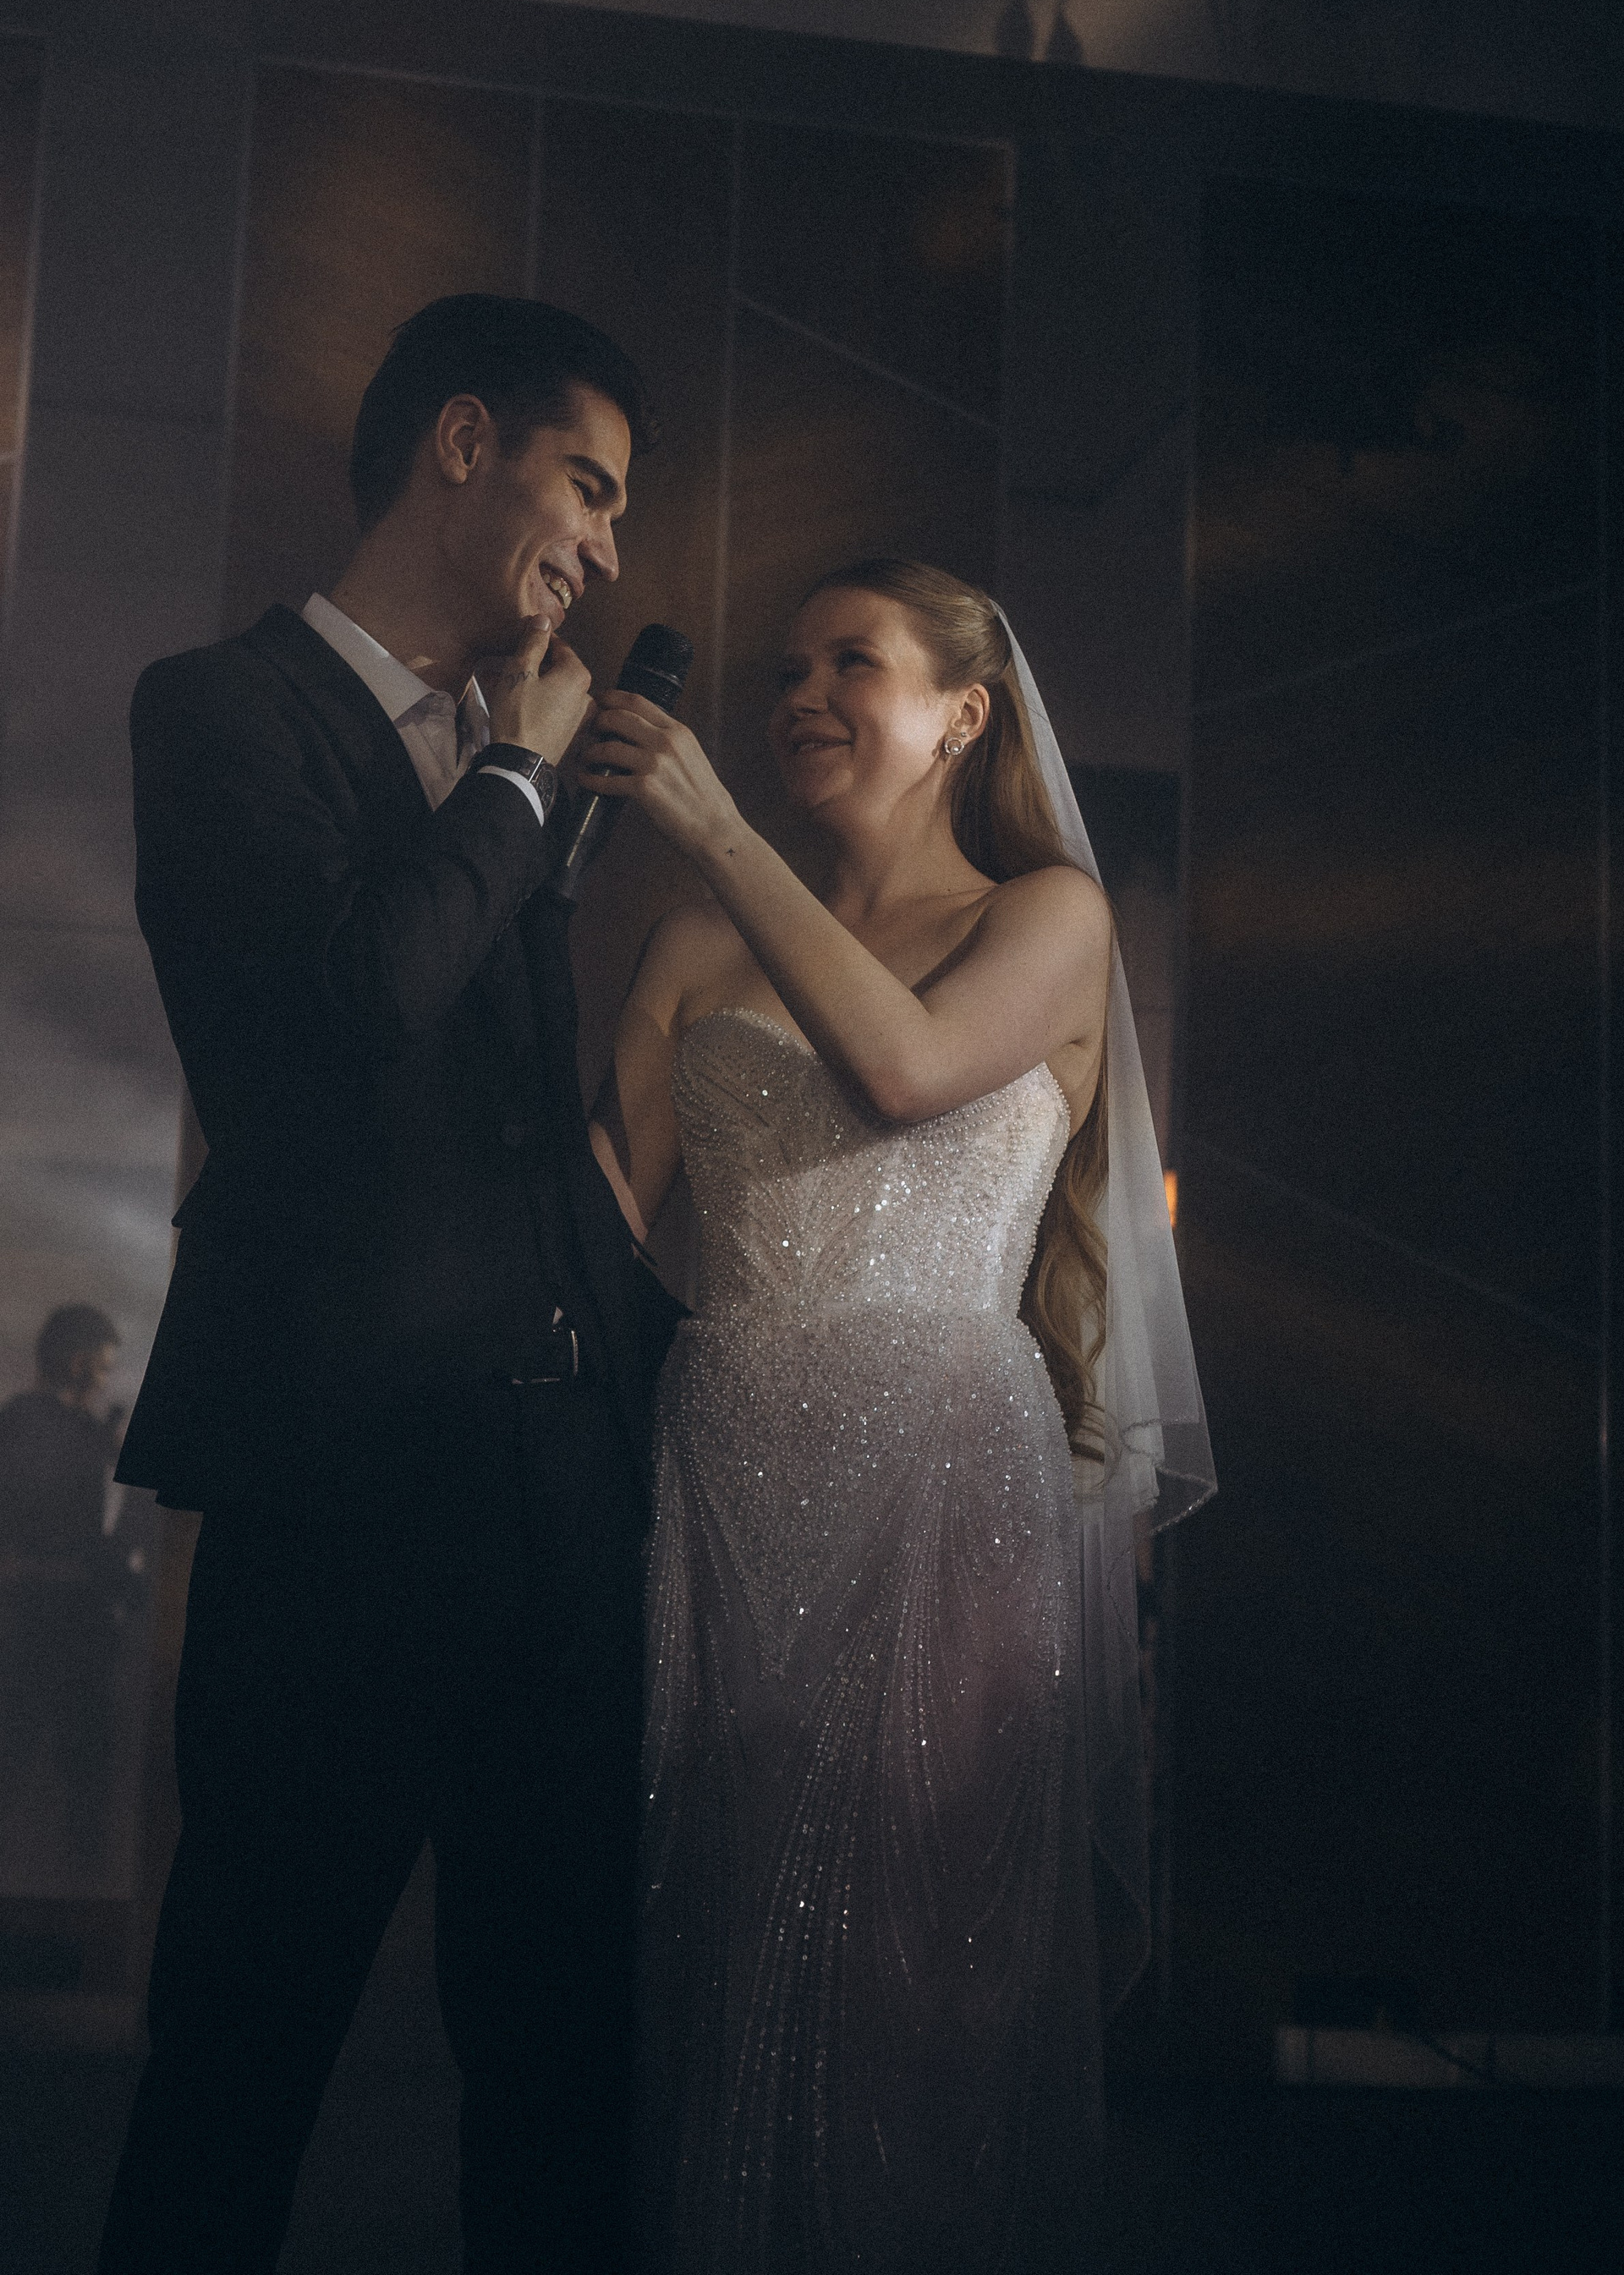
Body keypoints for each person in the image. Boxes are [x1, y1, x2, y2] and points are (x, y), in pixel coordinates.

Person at [98, 294, 684, 2275]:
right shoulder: (220, 708)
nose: (604, 546)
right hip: (339, 1486)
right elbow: (345, 1018)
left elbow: (520, 1127)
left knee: (560, 2059)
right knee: (244, 2042)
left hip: (564, 1500)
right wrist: (513, 778)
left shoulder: (515, 753)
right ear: (461, 441)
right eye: (588, 485)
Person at [587, 558, 1215, 2273]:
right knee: (725, 1928)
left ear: (962, 715)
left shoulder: (1049, 917)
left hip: (942, 1475)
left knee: (918, 1968)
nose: (799, 695)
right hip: (721, 1471)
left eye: (848, 664)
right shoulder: (692, 944)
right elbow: (592, 1224)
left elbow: (911, 1071)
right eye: (786, 669)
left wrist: (714, 830)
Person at [0, 1305, 145, 1886]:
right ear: (76, 1361)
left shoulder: (28, 1424)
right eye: (102, 1367)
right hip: (49, 1618)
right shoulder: (40, 1427)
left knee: (51, 1761)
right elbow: (70, 1531)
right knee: (65, 1764)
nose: (105, 1380)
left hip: (48, 1618)